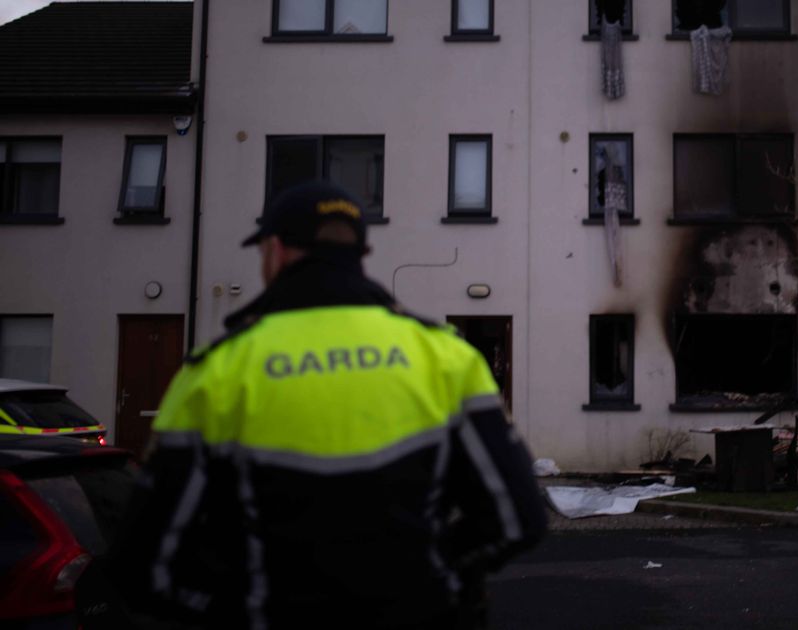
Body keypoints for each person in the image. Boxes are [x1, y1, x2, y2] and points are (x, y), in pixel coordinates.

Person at [115, 181, 547, 629]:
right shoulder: (445, 356)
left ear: (275, 250)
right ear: (361, 254)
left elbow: (144, 564)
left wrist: (237, 606)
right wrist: (437, 583)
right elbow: (518, 519)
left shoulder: (216, 371)